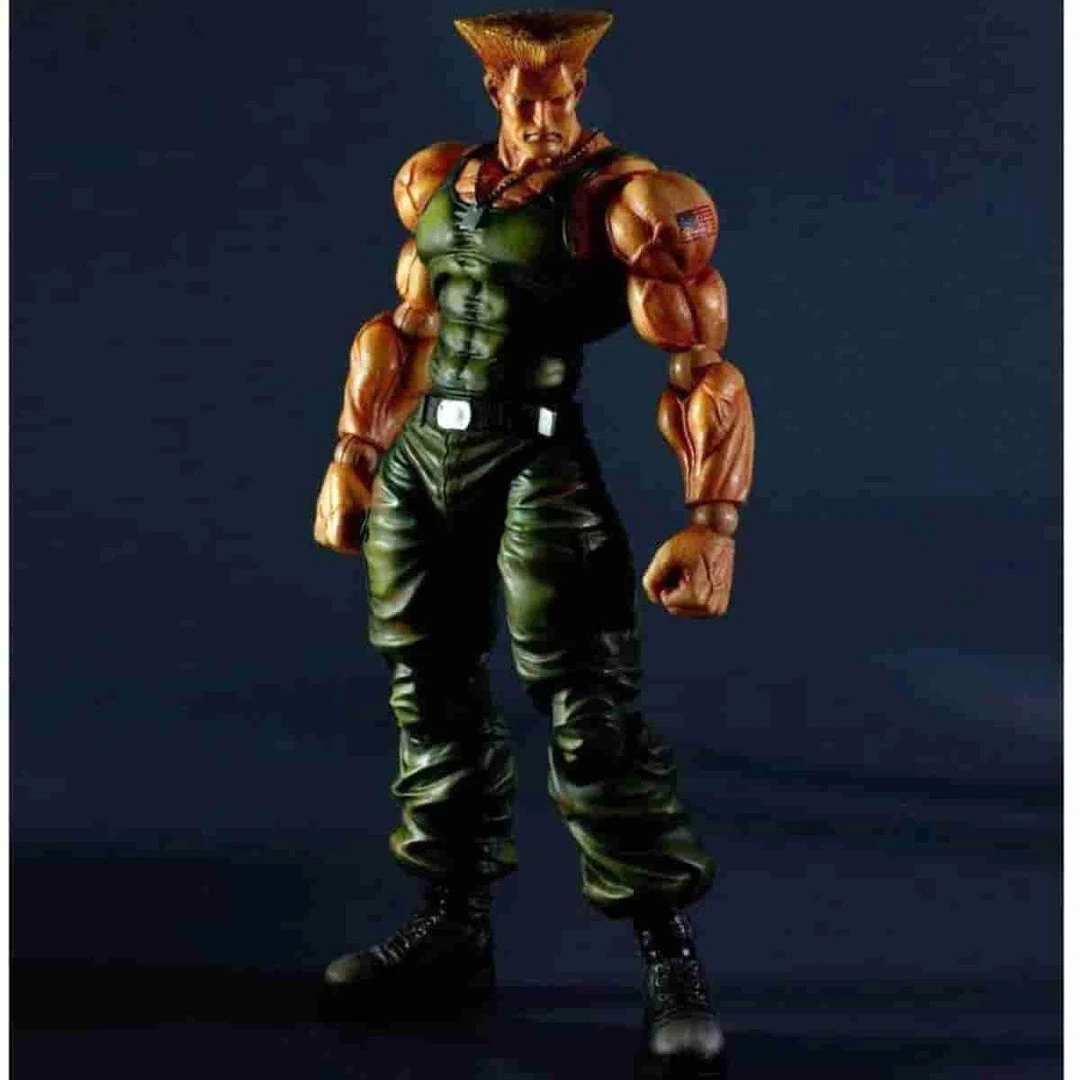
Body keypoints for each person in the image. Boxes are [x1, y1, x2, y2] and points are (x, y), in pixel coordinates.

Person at [313, 10, 754, 1077]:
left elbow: (701, 364)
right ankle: (451, 930)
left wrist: (714, 522)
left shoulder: (632, 202)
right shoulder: (437, 180)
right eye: (529, 98)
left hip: (536, 458)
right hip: (426, 456)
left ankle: (671, 958)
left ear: (582, 88)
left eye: (563, 96)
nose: (548, 116)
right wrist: (354, 454)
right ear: (495, 93)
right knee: (428, 689)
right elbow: (406, 326)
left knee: (588, 706)